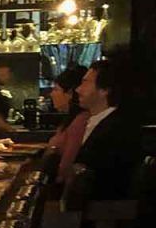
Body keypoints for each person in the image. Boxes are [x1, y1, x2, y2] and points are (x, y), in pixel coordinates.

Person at [73, 57, 139, 202]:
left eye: (85, 82)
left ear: (104, 90)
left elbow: (99, 184)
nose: (78, 89)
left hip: (97, 210)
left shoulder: (116, 129)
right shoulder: (97, 121)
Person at [46, 65, 87, 182]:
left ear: (70, 93)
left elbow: (65, 168)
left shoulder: (80, 121)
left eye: (56, 89)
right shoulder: (71, 120)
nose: (51, 94)